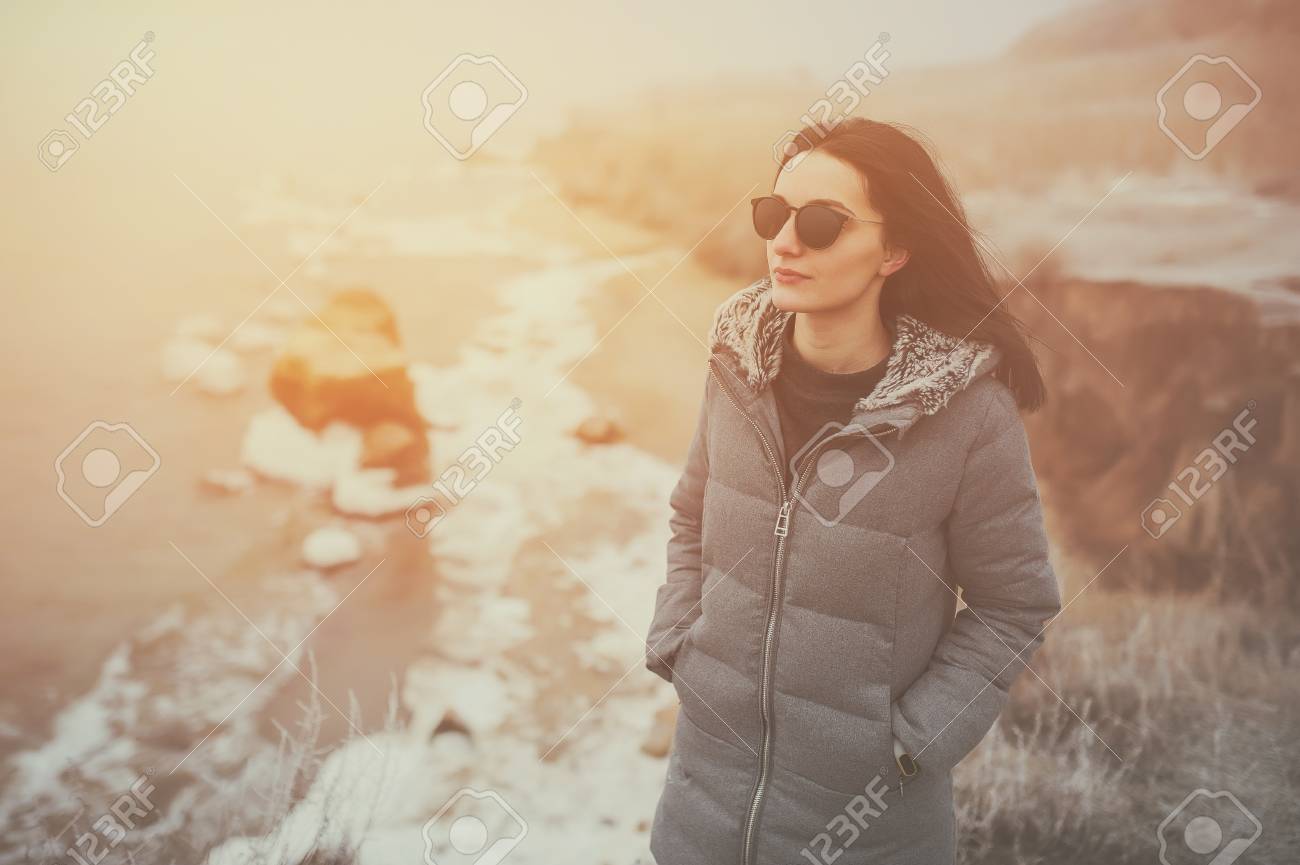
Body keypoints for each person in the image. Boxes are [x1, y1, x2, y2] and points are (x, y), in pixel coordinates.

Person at [644, 117, 1063, 865]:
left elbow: (1013, 605)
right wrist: (682, 644)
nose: (785, 242)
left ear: (894, 250)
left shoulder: (967, 414)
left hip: (871, 833)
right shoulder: (734, 370)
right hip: (697, 821)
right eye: (774, 215)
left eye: (821, 223)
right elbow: (689, 516)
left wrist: (911, 741)